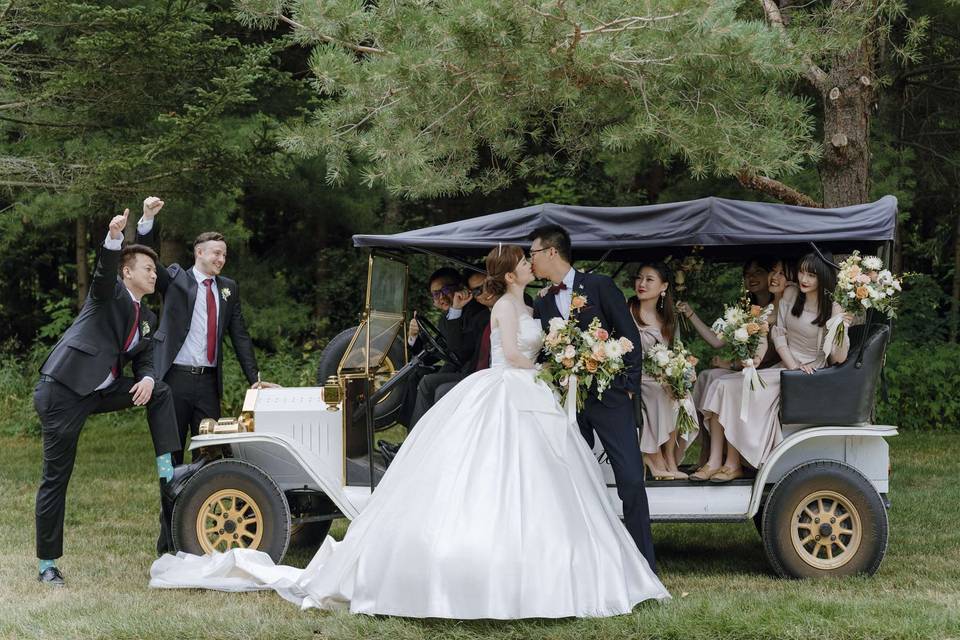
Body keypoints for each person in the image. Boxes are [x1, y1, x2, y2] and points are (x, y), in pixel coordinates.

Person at [150, 245, 669, 618]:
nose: (532, 263)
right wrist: (554, 365)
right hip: (513, 389)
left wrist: (566, 361)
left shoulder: (531, 305)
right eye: (525, 260)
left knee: (541, 480)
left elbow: (523, 352)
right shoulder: (509, 306)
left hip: (528, 396)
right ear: (511, 272)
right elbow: (512, 356)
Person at [34, 209, 181, 586]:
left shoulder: (147, 316)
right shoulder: (109, 293)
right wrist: (114, 238)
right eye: (147, 268)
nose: (153, 273)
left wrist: (147, 377)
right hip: (64, 390)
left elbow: (146, 356)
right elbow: (101, 274)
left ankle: (169, 470)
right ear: (126, 272)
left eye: (155, 269)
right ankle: (47, 564)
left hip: (102, 392)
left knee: (161, 391)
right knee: (56, 477)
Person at [528, 224, 657, 572]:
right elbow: (542, 354)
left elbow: (628, 336)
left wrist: (627, 386)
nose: (531, 260)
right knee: (575, 482)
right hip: (568, 406)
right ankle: (586, 566)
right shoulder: (542, 302)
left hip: (610, 397)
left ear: (552, 252)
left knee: (630, 479)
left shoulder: (599, 286)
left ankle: (644, 564)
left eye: (533, 253)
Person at [135, 197, 276, 474]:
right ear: (199, 253)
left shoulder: (229, 289)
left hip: (208, 384)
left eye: (224, 255)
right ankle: (168, 515)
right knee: (169, 454)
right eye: (215, 253)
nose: (221, 259)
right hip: (174, 380)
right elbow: (149, 260)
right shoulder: (176, 279)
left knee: (209, 453)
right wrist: (148, 221)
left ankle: (198, 511)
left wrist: (254, 380)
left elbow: (240, 336)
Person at [694, 253, 851, 483]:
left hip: (808, 374)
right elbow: (779, 334)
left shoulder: (832, 306)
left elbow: (838, 358)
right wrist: (789, 365)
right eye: (801, 272)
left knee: (733, 388)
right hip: (787, 367)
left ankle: (732, 464)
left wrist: (841, 327)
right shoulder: (791, 293)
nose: (804, 279)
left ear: (823, 278)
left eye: (811, 275)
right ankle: (714, 460)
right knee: (719, 384)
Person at [628, 262, 698, 481]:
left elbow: (674, 353)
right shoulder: (627, 311)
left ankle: (670, 459)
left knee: (680, 393)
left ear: (663, 286)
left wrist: (683, 371)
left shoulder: (668, 319)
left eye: (649, 279)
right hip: (636, 376)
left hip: (660, 377)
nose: (642, 283)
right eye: (639, 278)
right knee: (662, 392)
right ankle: (653, 456)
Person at [396, 267, 487, 429]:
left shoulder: (477, 312)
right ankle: (409, 435)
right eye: (435, 294)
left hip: (469, 371)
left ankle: (415, 445)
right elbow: (433, 352)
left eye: (445, 290)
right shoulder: (447, 317)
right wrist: (413, 336)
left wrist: (455, 311)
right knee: (415, 373)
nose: (441, 298)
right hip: (453, 368)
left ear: (459, 288)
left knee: (428, 382)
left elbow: (460, 350)